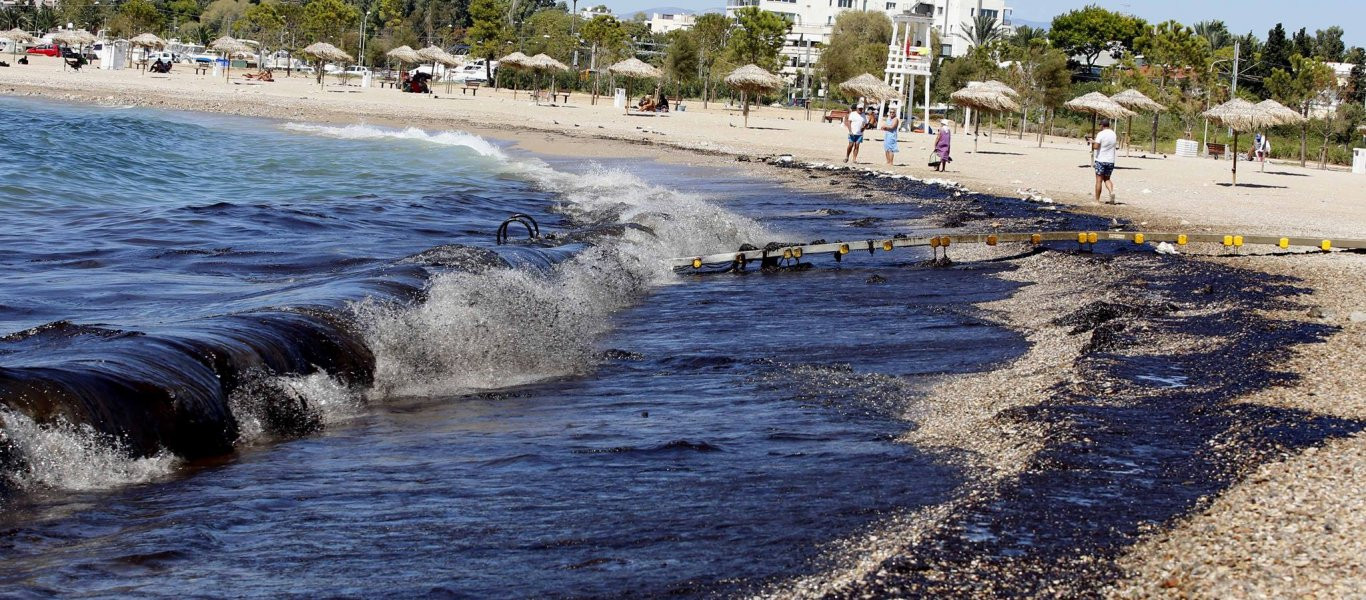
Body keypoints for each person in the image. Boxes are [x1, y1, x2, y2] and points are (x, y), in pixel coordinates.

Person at [1092, 118, 1118, 204]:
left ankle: (1097, 200)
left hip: (1101, 159)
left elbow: (1096, 147)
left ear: (1102, 125)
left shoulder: (1101, 134)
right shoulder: (1113, 134)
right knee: (1107, 178)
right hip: (1111, 160)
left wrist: (1093, 142)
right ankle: (1111, 192)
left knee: (1099, 180)